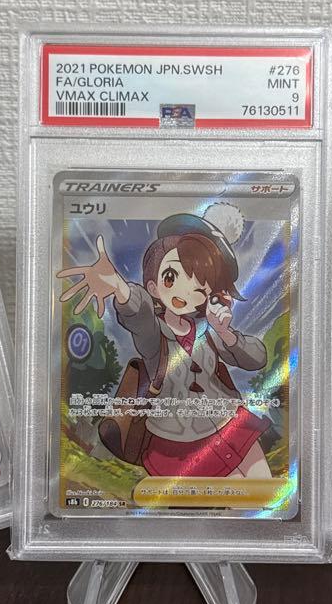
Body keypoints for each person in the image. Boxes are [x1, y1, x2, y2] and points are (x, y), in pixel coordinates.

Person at [57, 202, 271, 479]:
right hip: (176, 442)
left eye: (199, 288)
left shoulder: (209, 331)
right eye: (172, 277)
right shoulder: (153, 334)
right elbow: (139, 313)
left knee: (265, 491)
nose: (185, 292)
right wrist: (120, 288)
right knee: (220, 499)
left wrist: (225, 332)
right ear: (154, 286)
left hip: (229, 424)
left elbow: (257, 358)